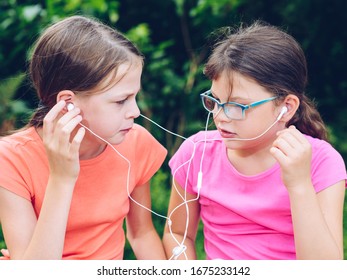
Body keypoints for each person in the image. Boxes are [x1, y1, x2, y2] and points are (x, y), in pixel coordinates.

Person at [162, 21, 346, 260]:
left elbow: (324, 270)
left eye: (238, 106)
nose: (220, 117)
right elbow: (177, 233)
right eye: (215, 102)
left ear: (286, 108)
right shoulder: (196, 152)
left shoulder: (321, 162)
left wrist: (299, 184)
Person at [0, 15, 167, 260]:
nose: (135, 112)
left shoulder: (135, 142)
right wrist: (62, 178)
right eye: (121, 101)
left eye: (134, 97)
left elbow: (141, 233)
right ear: (68, 103)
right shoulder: (12, 159)